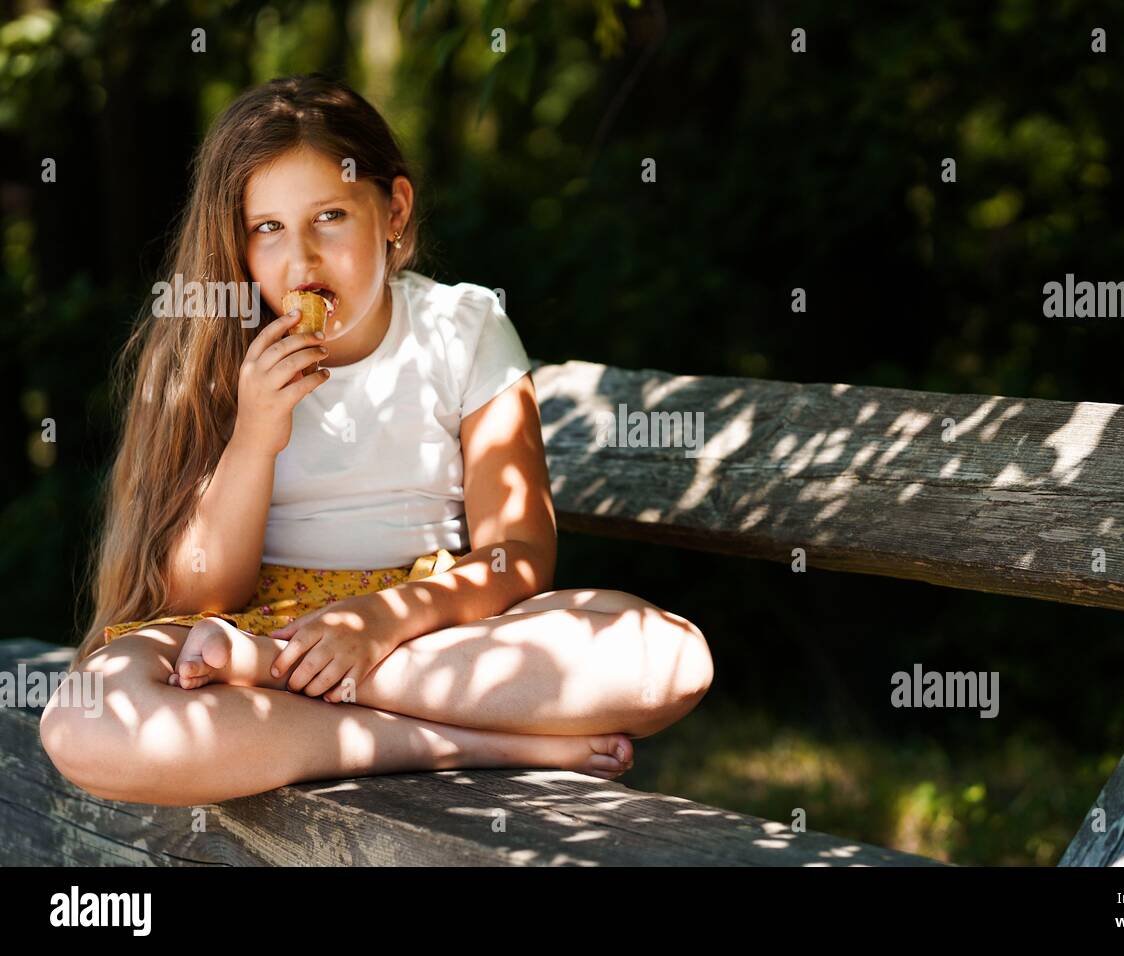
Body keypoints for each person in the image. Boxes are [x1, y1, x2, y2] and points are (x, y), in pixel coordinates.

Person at [40, 74, 713, 807]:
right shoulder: (215, 350)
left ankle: (288, 677)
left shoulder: (463, 328)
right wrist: (254, 437)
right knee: (86, 724)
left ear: (392, 209)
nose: (302, 260)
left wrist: (378, 623)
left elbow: (518, 556)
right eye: (267, 228)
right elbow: (201, 593)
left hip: (427, 628)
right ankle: (472, 744)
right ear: (234, 241)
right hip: (246, 625)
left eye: (329, 216)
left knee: (668, 660)